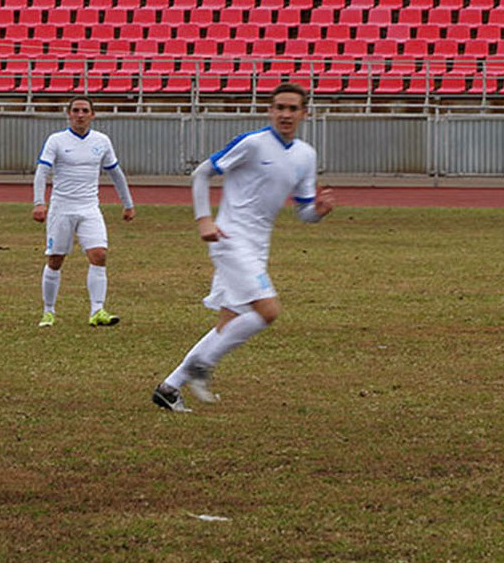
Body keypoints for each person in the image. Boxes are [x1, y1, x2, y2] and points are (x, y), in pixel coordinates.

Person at [153, 82, 334, 413]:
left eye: (293, 108)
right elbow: (201, 173)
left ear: (304, 113)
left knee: (230, 320)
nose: (285, 114)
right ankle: (201, 366)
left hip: (258, 246)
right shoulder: (252, 144)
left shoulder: (306, 156)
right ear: (270, 110)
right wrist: (203, 219)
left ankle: (169, 387)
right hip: (229, 238)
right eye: (279, 107)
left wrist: (318, 212)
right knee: (268, 311)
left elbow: (304, 212)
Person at [33, 97, 135, 328]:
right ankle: (48, 311)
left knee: (99, 255)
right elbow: (42, 172)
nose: (80, 114)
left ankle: (97, 310)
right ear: (68, 114)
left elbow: (115, 173)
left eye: (85, 111)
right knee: (56, 260)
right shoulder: (56, 140)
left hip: (89, 208)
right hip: (61, 208)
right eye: (76, 110)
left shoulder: (102, 141)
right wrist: (39, 202)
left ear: (93, 115)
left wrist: (128, 203)